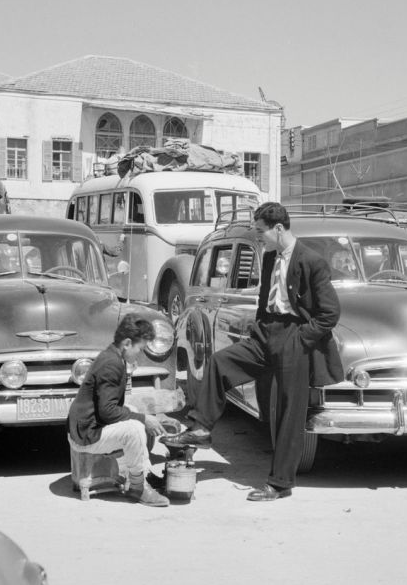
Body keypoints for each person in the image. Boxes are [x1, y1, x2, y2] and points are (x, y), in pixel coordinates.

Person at [165, 202, 342, 501]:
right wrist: (260, 327)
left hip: (294, 337)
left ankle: (280, 484)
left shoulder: (311, 261)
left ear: (278, 229)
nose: (258, 237)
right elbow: (266, 299)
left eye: (260, 232)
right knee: (220, 363)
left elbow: (330, 313)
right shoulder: (271, 256)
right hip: (266, 333)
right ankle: (201, 429)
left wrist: (300, 340)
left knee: (288, 413)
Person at [66, 314, 169, 507]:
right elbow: (107, 411)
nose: (141, 353)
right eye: (140, 348)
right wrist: (144, 419)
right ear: (128, 343)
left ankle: (141, 473)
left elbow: (111, 402)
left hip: (85, 426)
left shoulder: (112, 355)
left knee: (132, 411)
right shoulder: (112, 363)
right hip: (86, 435)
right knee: (135, 429)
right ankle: (138, 488)